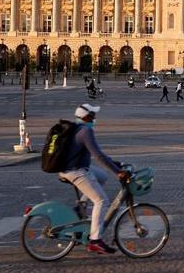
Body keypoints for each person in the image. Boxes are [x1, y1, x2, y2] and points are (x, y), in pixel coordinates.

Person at [59, 103, 130, 255]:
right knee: (102, 200)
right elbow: (97, 155)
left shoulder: (76, 128)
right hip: (75, 171)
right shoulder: (86, 131)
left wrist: (115, 164)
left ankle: (81, 207)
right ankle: (95, 240)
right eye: (93, 116)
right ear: (86, 117)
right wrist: (117, 171)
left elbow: (98, 154)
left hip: (76, 168)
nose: (95, 119)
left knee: (102, 176)